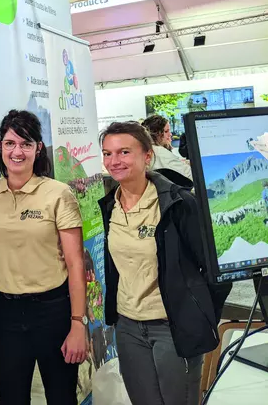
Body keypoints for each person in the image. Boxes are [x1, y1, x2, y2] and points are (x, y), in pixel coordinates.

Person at [98, 121, 231, 405]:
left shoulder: (178, 203)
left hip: (172, 327)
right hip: (129, 327)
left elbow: (216, 271)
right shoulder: (110, 205)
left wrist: (200, 314)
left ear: (147, 155)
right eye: (107, 153)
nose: (114, 161)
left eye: (124, 152)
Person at [0, 110, 88, 405]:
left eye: (26, 144)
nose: (17, 151)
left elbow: (76, 263)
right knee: (11, 398)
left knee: (62, 397)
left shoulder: (58, 194)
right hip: (7, 314)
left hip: (53, 312)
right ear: (0, 146)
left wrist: (78, 323)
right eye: (10, 143)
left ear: (38, 148)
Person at [142, 115, 192, 181]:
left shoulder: (145, 150)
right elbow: (190, 175)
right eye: (166, 131)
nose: (170, 134)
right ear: (156, 133)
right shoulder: (161, 153)